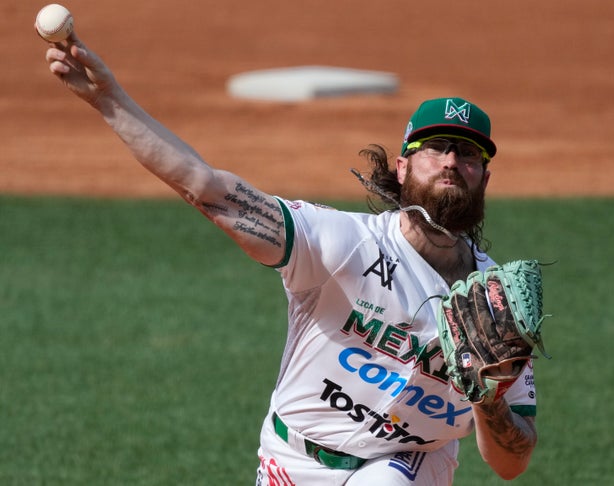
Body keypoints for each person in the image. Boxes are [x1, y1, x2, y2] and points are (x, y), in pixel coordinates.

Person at [43, 32, 538, 485]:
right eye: (437, 149)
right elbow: (205, 187)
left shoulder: (497, 304)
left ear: (484, 178)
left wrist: (487, 400)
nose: (453, 161)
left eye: (469, 155)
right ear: (403, 166)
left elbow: (512, 462)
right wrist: (108, 100)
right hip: (291, 458)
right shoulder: (345, 241)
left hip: (408, 464)